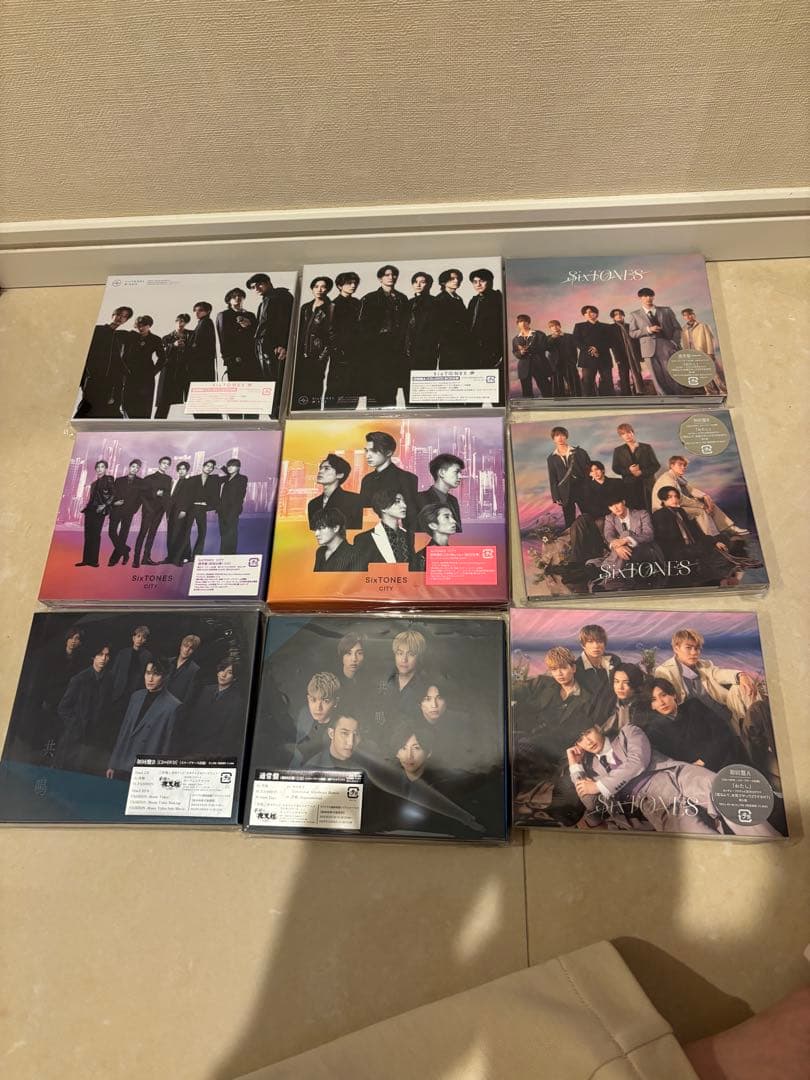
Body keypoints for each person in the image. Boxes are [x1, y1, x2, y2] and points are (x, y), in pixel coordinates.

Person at [567, 722, 778, 836]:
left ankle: (772, 845)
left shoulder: (628, 732)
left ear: (598, 727)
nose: (587, 741)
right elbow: (591, 804)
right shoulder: (592, 771)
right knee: (700, 841)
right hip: (657, 804)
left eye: (588, 733)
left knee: (725, 790)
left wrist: (600, 785)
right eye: (580, 740)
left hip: (676, 775)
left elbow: (638, 761)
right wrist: (575, 766)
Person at [655, 627, 760, 736]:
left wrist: (741, 675)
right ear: (676, 648)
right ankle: (749, 732)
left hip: (723, 714)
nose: (694, 652)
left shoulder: (705, 664)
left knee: (741, 687)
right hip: (698, 724)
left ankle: (754, 727)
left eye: (697, 648)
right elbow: (665, 702)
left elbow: (719, 673)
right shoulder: (665, 671)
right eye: (688, 648)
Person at [646, 677, 747, 772]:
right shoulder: (655, 730)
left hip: (725, 757)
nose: (661, 702)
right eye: (654, 700)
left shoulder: (694, 706)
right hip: (697, 773)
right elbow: (672, 761)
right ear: (651, 706)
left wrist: (705, 760)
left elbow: (722, 731)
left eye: (663, 695)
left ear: (673, 695)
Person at [106, 660, 182, 779]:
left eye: (156, 674)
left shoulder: (173, 706)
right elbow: (124, 732)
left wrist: (161, 774)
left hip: (146, 768)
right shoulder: (136, 696)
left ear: (165, 676)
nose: (150, 679)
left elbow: (167, 745)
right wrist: (112, 764)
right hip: (123, 762)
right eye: (148, 673)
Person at [652, 486, 738, 582]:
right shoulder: (659, 514)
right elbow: (666, 539)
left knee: (722, 539)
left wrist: (714, 542)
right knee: (710, 551)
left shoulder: (681, 511)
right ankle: (720, 575)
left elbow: (695, 531)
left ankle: (723, 573)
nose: (674, 499)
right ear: (663, 499)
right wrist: (697, 546)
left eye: (676, 496)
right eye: (670, 497)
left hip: (691, 544)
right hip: (678, 549)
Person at [652, 455, 748, 536]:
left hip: (675, 505)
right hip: (665, 509)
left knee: (708, 502)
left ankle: (729, 528)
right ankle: (712, 538)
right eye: (680, 465)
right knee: (700, 511)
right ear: (672, 465)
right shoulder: (668, 479)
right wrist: (701, 505)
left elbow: (690, 489)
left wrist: (705, 496)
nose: (683, 467)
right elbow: (680, 499)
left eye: (684, 465)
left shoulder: (675, 477)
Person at [54, 644, 111, 772]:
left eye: (107, 655)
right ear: (93, 657)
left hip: (93, 739)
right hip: (73, 737)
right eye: (100, 654)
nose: (103, 658)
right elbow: (63, 708)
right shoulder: (79, 679)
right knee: (65, 771)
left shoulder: (109, 680)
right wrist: (75, 725)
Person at [358, 264, 410, 406]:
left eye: (393, 275)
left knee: (391, 387)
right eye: (387, 275)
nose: (391, 277)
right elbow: (362, 327)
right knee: (374, 386)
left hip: (396, 348)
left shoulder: (402, 298)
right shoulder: (369, 298)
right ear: (380, 278)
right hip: (376, 348)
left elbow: (406, 325)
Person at [173, 659, 244, 759]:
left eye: (229, 673)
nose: (223, 675)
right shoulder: (207, 689)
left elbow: (228, 735)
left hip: (211, 752)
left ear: (234, 678)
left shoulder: (237, 701)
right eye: (222, 670)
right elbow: (194, 718)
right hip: (192, 745)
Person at [76, 305, 132, 418]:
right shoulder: (97, 330)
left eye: (124, 317)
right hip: (92, 377)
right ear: (113, 315)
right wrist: (86, 375)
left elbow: (118, 359)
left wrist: (126, 373)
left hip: (110, 381)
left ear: (126, 320)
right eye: (119, 314)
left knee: (104, 410)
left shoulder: (120, 336)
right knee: (86, 408)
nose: (120, 318)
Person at [247, 272, 293, 401]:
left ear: (268, 283)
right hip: (264, 346)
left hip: (275, 346)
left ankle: (278, 410)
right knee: (268, 382)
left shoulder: (281, 296)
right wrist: (251, 325)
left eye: (259, 284)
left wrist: (283, 344)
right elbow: (265, 326)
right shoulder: (264, 302)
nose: (256, 288)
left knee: (277, 382)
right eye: (253, 287)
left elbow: (286, 322)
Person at [628, 287, 683, 395]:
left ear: (653, 297)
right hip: (648, 348)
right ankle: (664, 398)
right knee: (656, 376)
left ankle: (678, 396)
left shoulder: (666, 310)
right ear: (640, 298)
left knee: (671, 373)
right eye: (645, 296)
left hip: (666, 345)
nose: (648, 298)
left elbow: (677, 328)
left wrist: (674, 342)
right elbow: (632, 333)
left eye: (650, 295)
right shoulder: (634, 314)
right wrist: (648, 330)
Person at [592, 494, 663, 574]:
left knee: (626, 534)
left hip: (645, 550)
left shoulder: (642, 514)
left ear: (623, 502)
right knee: (622, 540)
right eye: (611, 506)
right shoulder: (610, 518)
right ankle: (614, 572)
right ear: (609, 508)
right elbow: (608, 535)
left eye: (617, 503)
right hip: (624, 553)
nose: (615, 508)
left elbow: (649, 535)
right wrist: (618, 547)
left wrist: (626, 540)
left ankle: (608, 569)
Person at [359, 431, 418, 522]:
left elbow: (410, 515)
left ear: (389, 453)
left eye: (374, 451)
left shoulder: (407, 478)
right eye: (366, 450)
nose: (367, 455)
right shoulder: (367, 479)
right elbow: (364, 512)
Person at [295, 276, 334, 408]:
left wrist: (323, 356)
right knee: (298, 386)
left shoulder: (331, 307)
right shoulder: (305, 307)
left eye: (323, 287)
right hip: (300, 353)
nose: (319, 289)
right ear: (312, 289)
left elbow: (331, 335)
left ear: (328, 289)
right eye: (316, 286)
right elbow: (299, 330)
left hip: (318, 354)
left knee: (314, 386)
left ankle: (312, 410)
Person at [574, 624, 623, 725]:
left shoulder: (614, 660)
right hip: (593, 720)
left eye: (599, 641)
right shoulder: (576, 669)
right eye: (590, 641)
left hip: (619, 712)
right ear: (583, 644)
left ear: (604, 643)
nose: (596, 646)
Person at [289, 672, 341, 766]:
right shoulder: (304, 714)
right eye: (313, 700)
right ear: (308, 698)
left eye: (325, 701)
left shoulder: (341, 727)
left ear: (336, 702)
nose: (318, 708)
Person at [353, 490, 414, 569]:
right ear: (383, 507)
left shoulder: (410, 537)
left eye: (404, 501)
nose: (404, 505)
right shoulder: (363, 539)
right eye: (397, 501)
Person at [326, 271, 362, 407]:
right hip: (340, 353)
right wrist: (337, 350)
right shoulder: (334, 304)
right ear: (340, 286)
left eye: (355, 283)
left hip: (356, 351)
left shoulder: (357, 303)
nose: (353, 286)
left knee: (353, 385)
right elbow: (330, 330)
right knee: (336, 386)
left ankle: (350, 409)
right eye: (349, 283)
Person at [120, 315, 166, 418]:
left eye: (144, 325)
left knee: (145, 406)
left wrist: (153, 372)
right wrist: (124, 371)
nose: (141, 328)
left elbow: (162, 358)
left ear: (149, 326)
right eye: (139, 326)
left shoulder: (155, 339)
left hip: (146, 377)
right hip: (130, 375)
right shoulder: (130, 336)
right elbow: (123, 355)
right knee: (128, 404)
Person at [546, 426, 591, 527]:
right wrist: (556, 496)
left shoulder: (579, 452)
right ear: (553, 438)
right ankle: (573, 536)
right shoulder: (551, 458)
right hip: (565, 491)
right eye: (557, 435)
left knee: (588, 514)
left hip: (581, 487)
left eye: (562, 435)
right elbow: (553, 478)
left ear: (566, 436)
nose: (560, 438)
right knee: (569, 519)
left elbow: (589, 470)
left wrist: (589, 487)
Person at [107, 625, 153, 722]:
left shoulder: (147, 656)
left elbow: (145, 676)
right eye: (138, 636)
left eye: (143, 637)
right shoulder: (123, 653)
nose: (140, 639)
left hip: (134, 693)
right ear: (133, 638)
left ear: (145, 641)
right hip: (118, 693)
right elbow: (114, 673)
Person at [306, 453, 364, 530]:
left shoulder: (355, 500)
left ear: (340, 475)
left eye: (326, 468)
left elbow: (354, 530)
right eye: (320, 468)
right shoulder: (313, 504)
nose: (320, 471)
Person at [132, 456, 172, 568]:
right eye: (164, 463)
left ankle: (146, 558)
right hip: (148, 510)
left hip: (160, 511)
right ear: (159, 463)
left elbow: (168, 496)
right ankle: (136, 559)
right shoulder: (149, 478)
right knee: (142, 533)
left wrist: (168, 512)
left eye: (168, 464)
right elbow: (142, 494)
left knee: (152, 534)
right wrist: (155, 493)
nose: (165, 465)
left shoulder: (168, 479)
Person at [611, 422, 660, 510]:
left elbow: (656, 465)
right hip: (630, 486)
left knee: (651, 509)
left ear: (633, 432)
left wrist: (642, 472)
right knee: (635, 511)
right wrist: (629, 470)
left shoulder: (646, 447)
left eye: (628, 432)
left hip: (647, 485)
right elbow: (615, 468)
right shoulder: (618, 450)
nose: (627, 435)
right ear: (621, 436)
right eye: (623, 434)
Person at [75, 459, 115, 567]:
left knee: (96, 536)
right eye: (98, 467)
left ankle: (94, 561)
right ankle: (85, 560)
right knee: (88, 536)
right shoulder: (93, 484)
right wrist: (85, 509)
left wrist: (105, 505)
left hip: (99, 511)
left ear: (105, 469)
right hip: (90, 511)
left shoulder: (109, 479)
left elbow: (113, 494)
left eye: (102, 467)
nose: (99, 469)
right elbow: (91, 499)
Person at [216, 287, 259, 382]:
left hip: (251, 357)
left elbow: (257, 334)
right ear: (229, 300)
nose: (237, 298)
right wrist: (229, 358)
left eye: (240, 296)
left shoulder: (250, 315)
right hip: (235, 358)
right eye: (234, 296)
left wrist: (249, 326)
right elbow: (223, 338)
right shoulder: (223, 315)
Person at [154, 313, 192, 418]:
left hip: (186, 371)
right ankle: (158, 423)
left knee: (194, 398)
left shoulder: (191, 335)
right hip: (169, 371)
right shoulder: (166, 338)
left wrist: (186, 347)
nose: (181, 324)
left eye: (183, 321)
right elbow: (161, 355)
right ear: (175, 322)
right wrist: (173, 345)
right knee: (164, 400)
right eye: (179, 321)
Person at [415, 453, 464, 532]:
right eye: (456, 472)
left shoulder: (453, 500)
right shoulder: (419, 499)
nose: (460, 476)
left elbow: (458, 531)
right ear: (441, 473)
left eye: (460, 473)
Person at [107, 459, 143, 567]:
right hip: (116, 509)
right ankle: (125, 550)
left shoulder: (141, 482)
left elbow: (140, 498)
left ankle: (114, 559)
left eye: (137, 468)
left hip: (129, 512)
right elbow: (112, 494)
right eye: (133, 466)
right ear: (129, 467)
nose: (135, 469)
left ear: (139, 470)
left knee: (123, 534)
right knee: (111, 532)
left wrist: (134, 510)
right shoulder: (119, 480)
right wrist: (114, 503)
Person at [572, 305, 615, 395]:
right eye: (586, 313)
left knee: (607, 381)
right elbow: (576, 341)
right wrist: (590, 349)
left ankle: (608, 400)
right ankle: (589, 401)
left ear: (596, 314)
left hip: (604, 357)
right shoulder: (579, 326)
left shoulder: (606, 326)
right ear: (584, 315)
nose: (588, 314)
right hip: (587, 358)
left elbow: (611, 341)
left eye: (591, 312)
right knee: (587, 381)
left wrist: (597, 348)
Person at [404, 271, 438, 384]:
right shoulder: (409, 303)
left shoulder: (435, 302)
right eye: (415, 282)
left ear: (429, 285)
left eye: (422, 282)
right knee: (409, 384)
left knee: (425, 384)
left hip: (426, 350)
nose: (418, 284)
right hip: (408, 350)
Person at [467, 267, 504, 370]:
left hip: (493, 347)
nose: (478, 285)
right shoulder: (474, 301)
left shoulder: (498, 298)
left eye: (482, 281)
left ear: (490, 281)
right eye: (475, 282)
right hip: (475, 348)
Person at [433, 268, 469, 370]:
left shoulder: (458, 298)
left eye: (458, 278)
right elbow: (438, 324)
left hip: (461, 342)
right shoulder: (440, 299)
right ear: (443, 282)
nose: (456, 281)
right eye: (452, 279)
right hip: (448, 344)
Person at [600, 663, 651, 735]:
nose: (620, 687)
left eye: (626, 683)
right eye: (616, 681)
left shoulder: (641, 708)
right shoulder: (611, 701)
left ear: (635, 684)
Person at [188, 301, 218, 419]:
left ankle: (204, 419)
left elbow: (198, 344)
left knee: (201, 395)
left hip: (201, 366)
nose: (197, 313)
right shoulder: (202, 323)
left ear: (207, 311)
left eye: (200, 310)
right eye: (195, 310)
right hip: (202, 364)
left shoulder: (206, 323)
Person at [185, 458, 220, 559]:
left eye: (211, 467)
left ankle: (196, 555)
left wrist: (221, 467)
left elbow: (228, 476)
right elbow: (185, 494)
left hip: (202, 508)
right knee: (186, 532)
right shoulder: (192, 479)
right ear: (203, 467)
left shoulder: (214, 479)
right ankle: (186, 555)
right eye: (207, 466)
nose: (209, 468)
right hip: (191, 508)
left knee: (202, 532)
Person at [608, 308, 645, 394]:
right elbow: (613, 344)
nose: (619, 316)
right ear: (613, 317)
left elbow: (636, 341)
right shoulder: (611, 328)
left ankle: (640, 393)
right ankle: (626, 394)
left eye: (620, 314)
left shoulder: (630, 326)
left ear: (623, 315)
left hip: (633, 355)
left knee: (637, 373)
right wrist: (617, 358)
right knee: (624, 375)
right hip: (621, 355)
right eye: (616, 315)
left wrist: (640, 355)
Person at [512, 314, 549, 398]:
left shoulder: (539, 334)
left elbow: (544, 347)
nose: (522, 323)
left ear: (528, 322)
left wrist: (528, 349)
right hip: (524, 366)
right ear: (518, 324)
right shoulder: (515, 339)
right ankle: (528, 406)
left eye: (525, 321)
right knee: (526, 391)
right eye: (520, 322)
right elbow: (515, 352)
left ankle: (550, 404)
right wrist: (521, 353)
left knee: (546, 388)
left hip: (539, 364)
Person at [165, 461, 195, 565]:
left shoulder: (190, 481)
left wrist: (184, 510)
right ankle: (171, 557)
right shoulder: (175, 481)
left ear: (187, 470)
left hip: (182, 511)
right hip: (172, 511)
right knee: (171, 534)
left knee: (181, 534)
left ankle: (183, 556)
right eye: (180, 469)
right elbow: (171, 498)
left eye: (184, 469)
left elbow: (190, 497)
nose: (181, 471)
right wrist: (168, 513)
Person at [412, 504, 457, 571]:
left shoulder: (454, 555)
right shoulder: (421, 557)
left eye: (452, 517)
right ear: (433, 525)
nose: (454, 521)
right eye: (447, 517)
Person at [218, 458, 247, 555]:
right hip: (222, 510)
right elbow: (228, 473)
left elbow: (240, 497)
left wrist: (235, 511)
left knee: (231, 532)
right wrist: (222, 468)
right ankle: (223, 553)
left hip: (233, 510)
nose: (230, 468)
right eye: (228, 466)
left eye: (233, 466)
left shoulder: (242, 478)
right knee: (223, 533)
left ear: (238, 468)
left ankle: (231, 553)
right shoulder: (227, 477)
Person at [545, 319, 581, 396]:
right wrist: (552, 338)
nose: (555, 327)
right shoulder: (548, 338)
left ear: (560, 326)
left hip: (569, 363)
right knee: (557, 385)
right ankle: (560, 400)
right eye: (552, 326)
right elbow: (546, 348)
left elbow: (574, 350)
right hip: (555, 364)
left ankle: (577, 398)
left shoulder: (569, 336)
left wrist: (574, 361)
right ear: (550, 328)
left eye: (556, 325)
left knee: (573, 383)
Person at [164, 634, 201, 704]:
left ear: (194, 651)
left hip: (174, 705)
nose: (187, 650)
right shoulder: (168, 662)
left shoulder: (195, 670)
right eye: (185, 646)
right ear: (181, 646)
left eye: (191, 648)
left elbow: (188, 695)